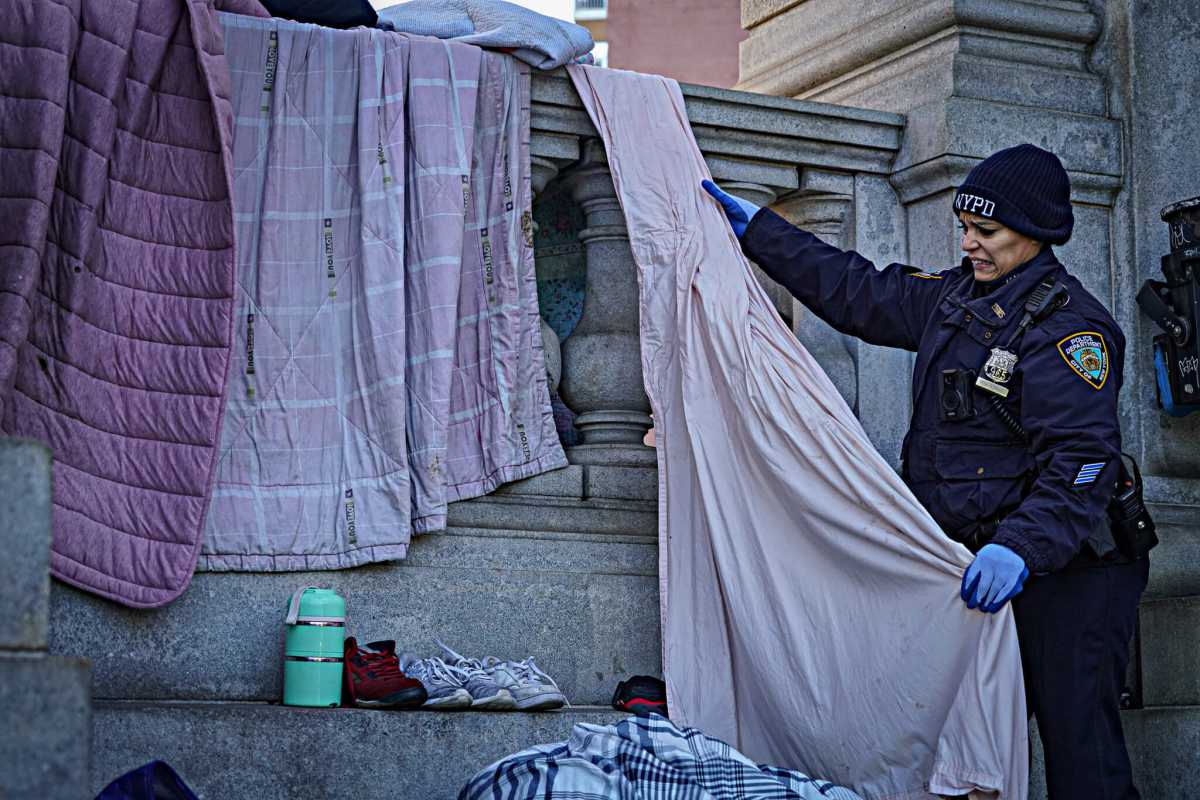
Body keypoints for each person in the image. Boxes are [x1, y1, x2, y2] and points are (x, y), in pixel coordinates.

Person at [703, 143, 1147, 800]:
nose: (969, 242)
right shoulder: (955, 298)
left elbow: (1083, 463)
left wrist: (1018, 548)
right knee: (957, 744)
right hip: (973, 560)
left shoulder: (1071, 332)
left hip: (1073, 571)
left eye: (986, 232)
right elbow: (859, 291)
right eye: (965, 227)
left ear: (1036, 231)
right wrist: (761, 233)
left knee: (1080, 746)